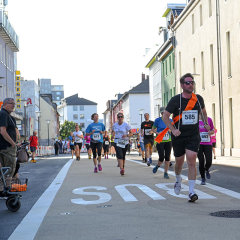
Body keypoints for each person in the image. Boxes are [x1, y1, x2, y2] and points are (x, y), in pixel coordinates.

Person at [160, 73, 210, 203]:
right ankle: (178, 179)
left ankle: (191, 192)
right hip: (179, 136)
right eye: (188, 82)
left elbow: (203, 112)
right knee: (179, 163)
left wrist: (205, 123)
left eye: (192, 82)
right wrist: (173, 129)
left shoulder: (198, 99)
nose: (191, 84)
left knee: (192, 159)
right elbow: (165, 116)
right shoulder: (176, 100)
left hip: (193, 135)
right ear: (182, 85)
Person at [0, 98, 19, 186]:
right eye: (11, 103)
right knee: (9, 169)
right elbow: (3, 131)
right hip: (7, 147)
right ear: (5, 104)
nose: (13, 105)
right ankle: (7, 189)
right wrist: (12, 143)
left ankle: (3, 189)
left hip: (4, 146)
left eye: (14, 104)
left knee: (4, 169)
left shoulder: (6, 114)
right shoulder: (4, 114)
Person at [152, 107, 172, 179]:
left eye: (165, 112)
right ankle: (157, 166)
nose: (164, 114)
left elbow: (173, 129)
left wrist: (170, 130)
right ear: (161, 113)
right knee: (161, 157)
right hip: (160, 140)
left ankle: (165, 173)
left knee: (167, 157)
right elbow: (153, 129)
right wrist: (157, 132)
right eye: (163, 113)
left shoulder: (170, 120)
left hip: (168, 140)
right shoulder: (157, 120)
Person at [198, 116, 215, 185]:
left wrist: (210, 132)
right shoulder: (195, 120)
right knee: (201, 161)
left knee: (209, 160)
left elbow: (213, 131)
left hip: (208, 143)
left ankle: (206, 168)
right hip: (199, 144)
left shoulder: (209, 119)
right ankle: (203, 178)